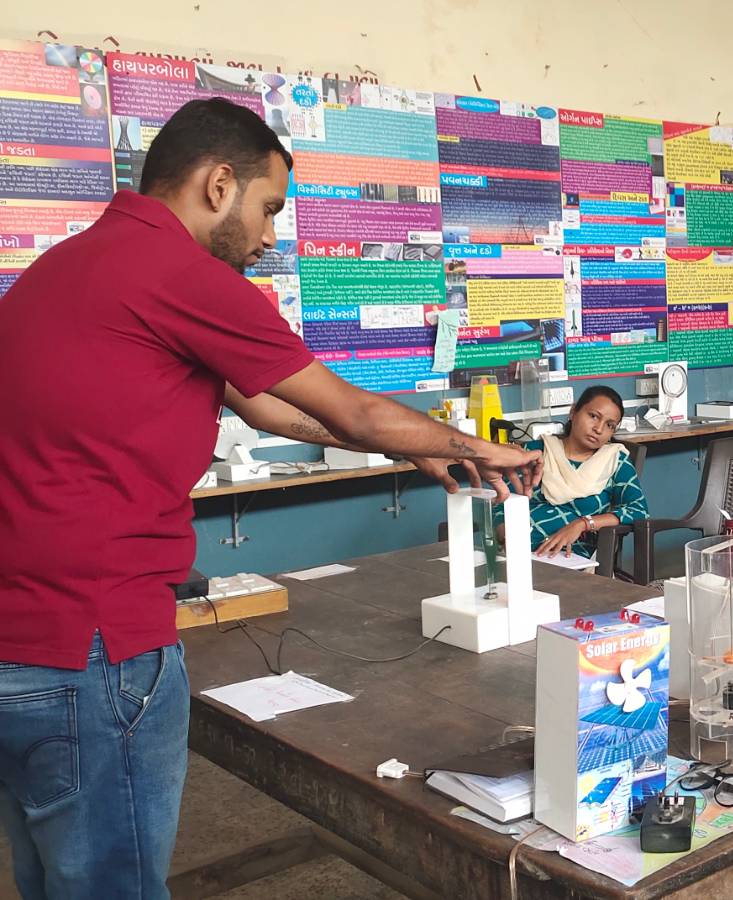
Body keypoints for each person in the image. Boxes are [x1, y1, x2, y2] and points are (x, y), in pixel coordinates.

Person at [0, 98, 541, 900]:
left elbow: (279, 409)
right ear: (220, 184)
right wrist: (483, 448)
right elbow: (349, 407)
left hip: (19, 653)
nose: (268, 238)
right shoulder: (182, 274)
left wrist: (419, 448)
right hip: (96, 649)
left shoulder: (65, 270)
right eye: (269, 208)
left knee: (51, 881)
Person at [517, 385, 647, 560]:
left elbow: (638, 510)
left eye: (609, 425)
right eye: (593, 416)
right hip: (519, 551)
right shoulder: (536, 452)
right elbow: (503, 502)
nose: (599, 429)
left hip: (572, 557)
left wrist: (583, 524)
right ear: (573, 412)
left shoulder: (615, 461)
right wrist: (506, 535)